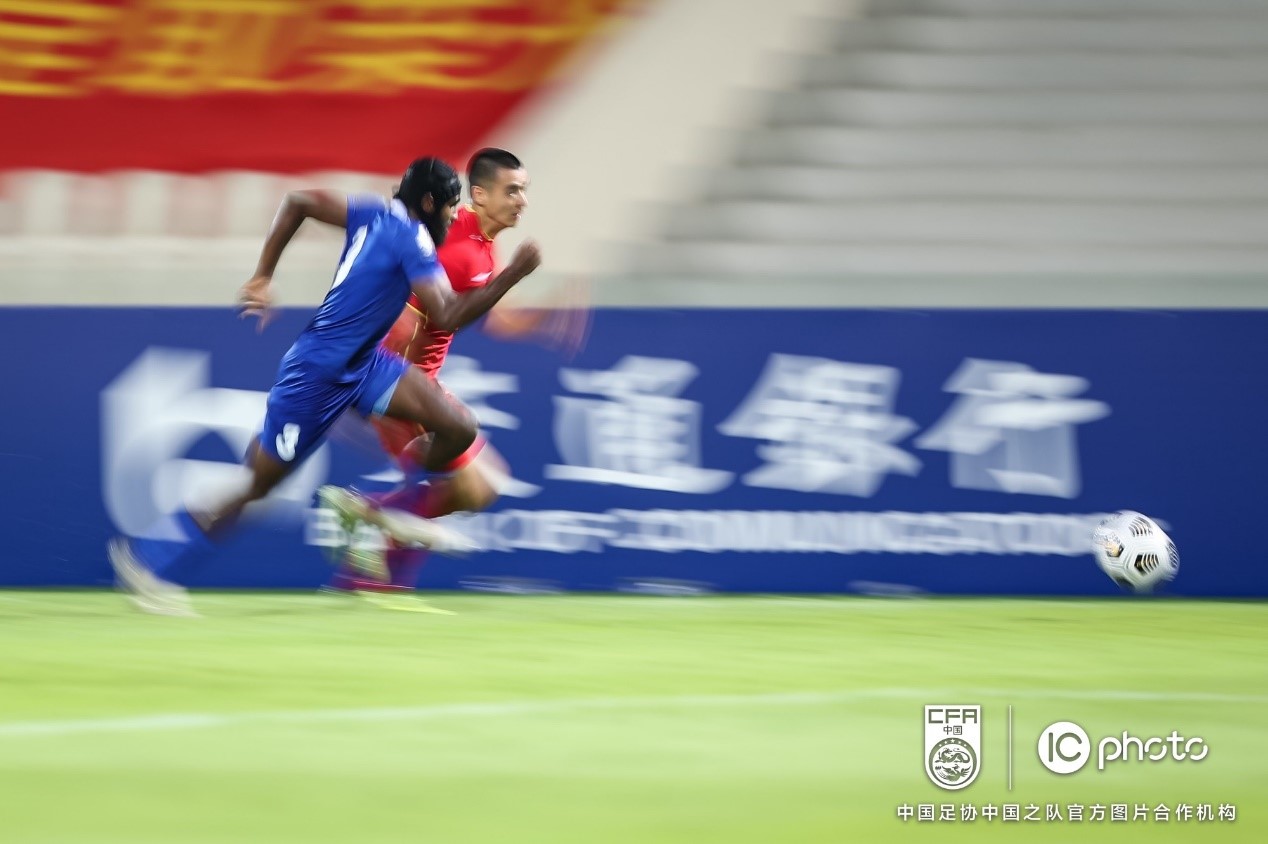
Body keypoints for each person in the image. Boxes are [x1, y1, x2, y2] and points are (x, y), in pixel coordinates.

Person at [107, 156, 542, 616]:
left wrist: (263, 275)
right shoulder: (413, 238)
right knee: (255, 485)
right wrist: (514, 274)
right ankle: (148, 560)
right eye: (452, 207)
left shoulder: (373, 211)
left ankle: (389, 513)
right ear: (431, 203)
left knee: (458, 427)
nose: (455, 217)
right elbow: (448, 315)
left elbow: (299, 201)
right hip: (318, 375)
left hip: (366, 364)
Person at [319, 148, 588, 604]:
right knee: (470, 485)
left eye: (524, 190)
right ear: (480, 194)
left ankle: (368, 551)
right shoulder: (462, 251)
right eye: (512, 191)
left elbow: (488, 312)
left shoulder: (473, 238)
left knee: (477, 486)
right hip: (401, 381)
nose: (522, 200)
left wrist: (542, 318)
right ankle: (368, 531)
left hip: (410, 380)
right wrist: (380, 380)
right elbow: (409, 304)